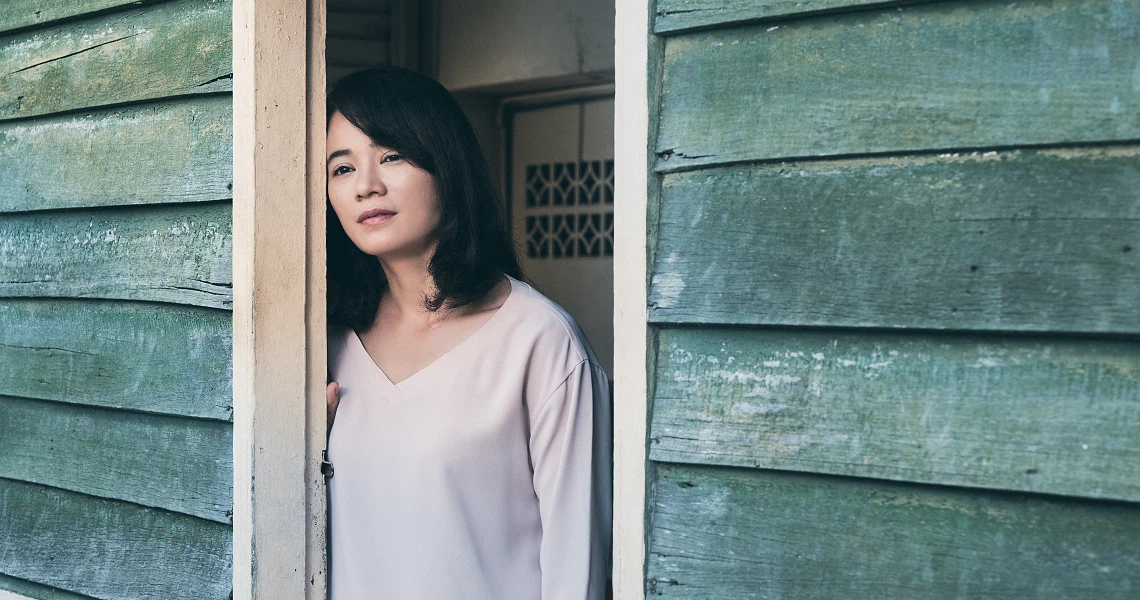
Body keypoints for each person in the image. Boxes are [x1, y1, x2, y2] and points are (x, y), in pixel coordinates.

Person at [322, 66, 613, 600]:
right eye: (342, 168)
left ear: (446, 164)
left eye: (392, 156)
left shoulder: (539, 341)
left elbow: (579, 570)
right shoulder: (325, 346)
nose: (367, 186)